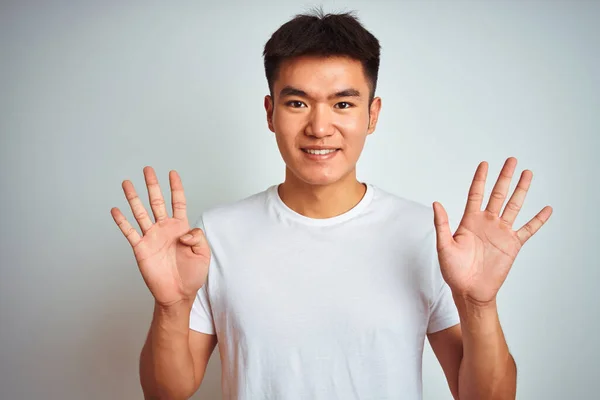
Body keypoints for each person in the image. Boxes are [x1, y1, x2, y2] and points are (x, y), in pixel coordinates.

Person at [110, 9, 552, 400]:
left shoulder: (425, 235)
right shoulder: (214, 236)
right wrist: (171, 306)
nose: (320, 127)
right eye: (298, 102)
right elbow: (166, 393)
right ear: (270, 112)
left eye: (343, 103)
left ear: (372, 115)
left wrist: (478, 304)